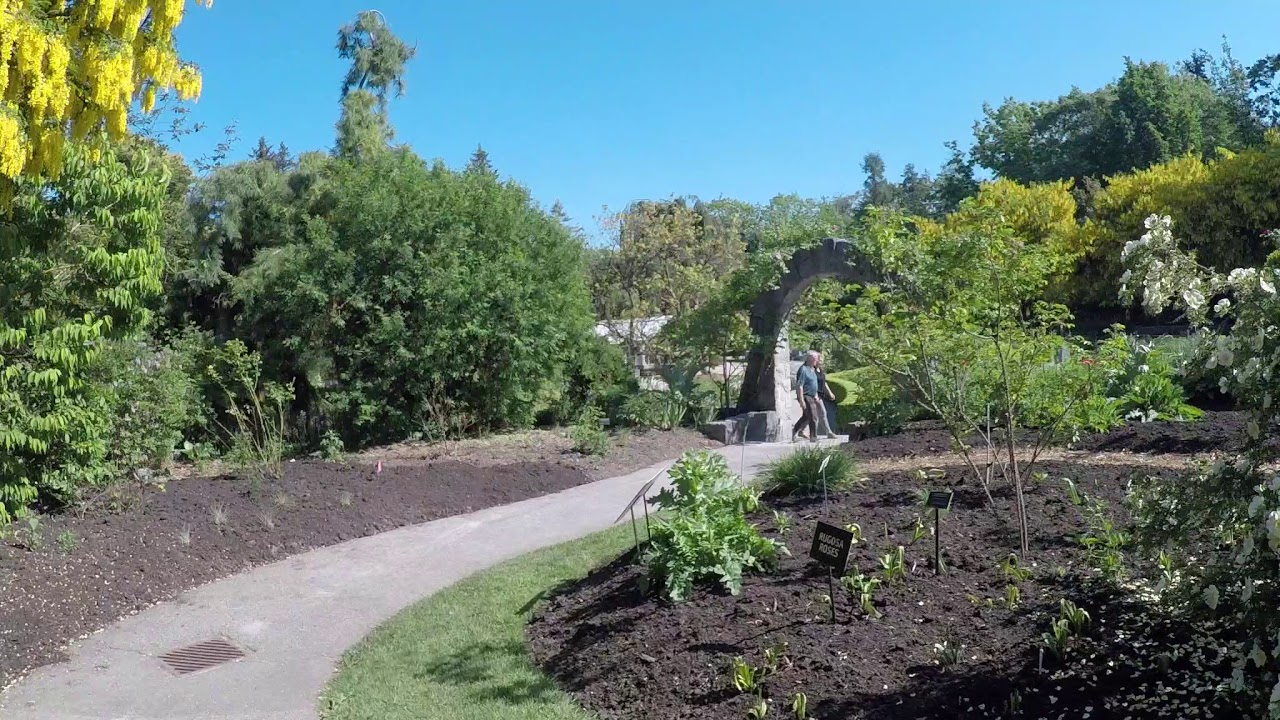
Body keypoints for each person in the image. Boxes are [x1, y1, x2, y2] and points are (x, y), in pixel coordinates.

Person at [792, 351, 825, 443]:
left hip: (812, 396)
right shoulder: (803, 369)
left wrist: (816, 395)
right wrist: (801, 400)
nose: (817, 360)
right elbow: (800, 385)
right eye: (816, 359)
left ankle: (794, 431)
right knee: (814, 416)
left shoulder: (812, 369)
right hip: (805, 396)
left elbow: (813, 383)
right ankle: (813, 438)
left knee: (806, 416)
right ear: (810, 359)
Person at [814, 353, 839, 439]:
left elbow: (824, 383)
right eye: (819, 360)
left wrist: (830, 393)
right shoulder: (811, 370)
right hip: (813, 395)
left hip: (820, 394)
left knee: (809, 415)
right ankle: (829, 432)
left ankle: (798, 431)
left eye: (822, 360)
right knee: (822, 413)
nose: (821, 362)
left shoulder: (820, 370)